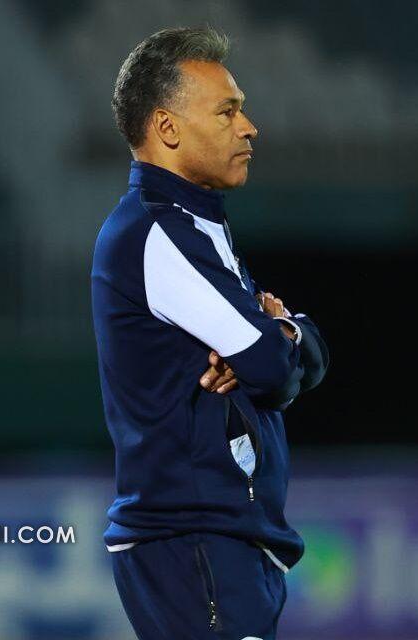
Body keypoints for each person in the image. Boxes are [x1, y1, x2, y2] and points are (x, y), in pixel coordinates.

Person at [91, 26, 330, 639]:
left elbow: (291, 359)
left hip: (216, 542)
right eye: (227, 111)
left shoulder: (194, 226)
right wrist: (277, 338)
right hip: (193, 542)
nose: (249, 128)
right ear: (168, 128)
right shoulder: (156, 232)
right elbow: (273, 370)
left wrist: (282, 334)